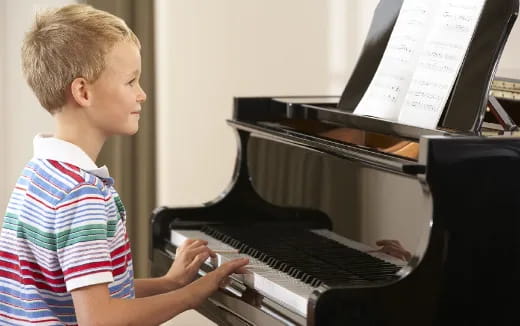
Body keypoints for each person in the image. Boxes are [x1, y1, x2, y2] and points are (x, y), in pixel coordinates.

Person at [0, 4, 248, 325]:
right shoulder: (81, 194)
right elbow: (100, 319)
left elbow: (87, 293)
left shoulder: (40, 173)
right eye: (131, 82)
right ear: (83, 91)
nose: (142, 94)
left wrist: (168, 284)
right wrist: (191, 296)